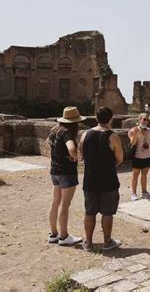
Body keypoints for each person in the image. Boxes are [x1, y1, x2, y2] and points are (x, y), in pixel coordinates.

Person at [79, 106, 123, 251]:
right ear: (111, 119)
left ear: (96, 118)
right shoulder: (113, 137)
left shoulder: (85, 134)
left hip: (90, 179)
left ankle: (88, 243)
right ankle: (107, 241)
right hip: (108, 179)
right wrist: (109, 165)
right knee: (107, 213)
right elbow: (119, 159)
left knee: (89, 212)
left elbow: (82, 153)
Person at [47, 106, 85, 246]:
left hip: (55, 171)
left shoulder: (54, 131)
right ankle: (64, 236)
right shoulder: (67, 133)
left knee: (55, 202)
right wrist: (74, 157)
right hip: (67, 173)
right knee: (65, 204)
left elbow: (47, 143)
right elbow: (71, 148)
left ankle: (54, 234)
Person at [128, 113, 150, 200]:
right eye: (144, 119)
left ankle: (144, 192)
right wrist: (135, 135)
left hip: (147, 155)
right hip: (137, 156)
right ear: (139, 119)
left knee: (144, 174)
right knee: (135, 175)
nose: (146, 121)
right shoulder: (133, 130)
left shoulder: (149, 130)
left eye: (147, 120)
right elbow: (132, 143)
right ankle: (133, 194)